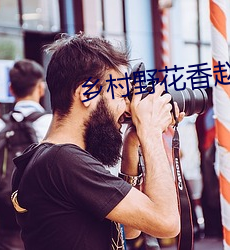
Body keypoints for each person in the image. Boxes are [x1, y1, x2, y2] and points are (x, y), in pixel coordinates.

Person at [11, 33, 182, 250]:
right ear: (87, 93)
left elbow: (129, 229)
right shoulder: (63, 162)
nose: (129, 108)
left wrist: (131, 144)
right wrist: (151, 132)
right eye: (121, 96)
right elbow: (166, 222)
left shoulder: (46, 158)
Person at [0, 59, 52, 250]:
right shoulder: (51, 124)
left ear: (11, 89)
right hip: (47, 230)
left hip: (7, 233)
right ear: (40, 88)